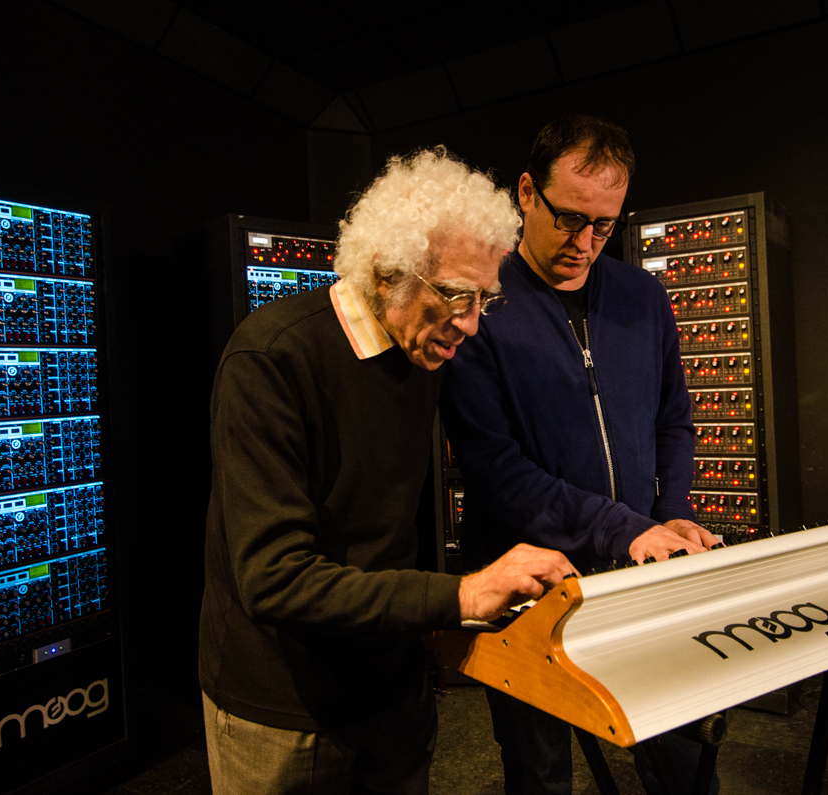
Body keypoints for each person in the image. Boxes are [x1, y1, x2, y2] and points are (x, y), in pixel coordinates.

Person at [199, 147, 576, 795]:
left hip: (396, 689)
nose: (472, 324)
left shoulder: (424, 354)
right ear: (385, 272)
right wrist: (459, 596)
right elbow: (274, 579)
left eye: (484, 298)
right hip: (290, 710)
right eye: (457, 295)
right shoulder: (271, 358)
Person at [440, 115, 721, 794]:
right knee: (540, 774)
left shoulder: (644, 298)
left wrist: (673, 514)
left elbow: (675, 421)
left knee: (683, 760)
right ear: (527, 194)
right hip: (528, 589)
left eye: (605, 225)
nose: (586, 243)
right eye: (570, 219)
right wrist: (627, 529)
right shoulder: (484, 300)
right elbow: (495, 468)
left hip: (640, 573)